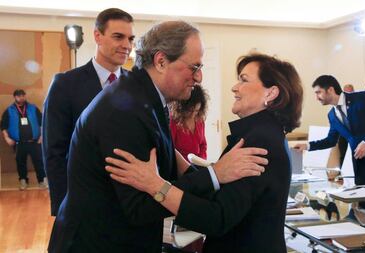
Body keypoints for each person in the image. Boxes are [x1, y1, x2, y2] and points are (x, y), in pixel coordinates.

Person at [48, 21, 268, 253]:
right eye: (194, 67)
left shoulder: (145, 97)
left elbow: (166, 162)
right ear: (161, 61)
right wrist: (215, 175)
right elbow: (139, 207)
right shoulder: (125, 113)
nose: (200, 77)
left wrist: (212, 178)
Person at [106, 53, 304, 253]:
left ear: (270, 93)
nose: (234, 87)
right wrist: (176, 157)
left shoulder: (259, 142)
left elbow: (217, 218)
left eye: (244, 80)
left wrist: (156, 186)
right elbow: (221, 194)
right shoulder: (262, 134)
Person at [42, 8, 135, 216]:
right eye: (118, 37)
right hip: (83, 202)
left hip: (129, 201)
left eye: (130, 38)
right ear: (97, 36)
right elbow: (54, 151)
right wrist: (64, 206)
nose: (127, 45)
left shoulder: (137, 85)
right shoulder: (65, 84)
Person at [294, 75, 365, 187]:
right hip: (361, 163)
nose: (317, 97)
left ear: (330, 90)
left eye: (318, 92)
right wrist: (307, 146)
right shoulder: (332, 115)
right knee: (364, 202)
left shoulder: (362, 97)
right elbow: (331, 141)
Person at [1, 89, 46, 190]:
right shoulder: (9, 110)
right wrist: (7, 138)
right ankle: (23, 181)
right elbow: (3, 126)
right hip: (19, 143)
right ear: (15, 97)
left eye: (22, 95)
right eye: (18, 96)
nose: (21, 97)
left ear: (25, 96)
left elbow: (42, 122)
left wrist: (42, 136)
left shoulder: (33, 108)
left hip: (34, 141)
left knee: (39, 161)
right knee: (20, 162)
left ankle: (42, 180)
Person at [170, 84, 208, 162]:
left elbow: (203, 145)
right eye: (190, 110)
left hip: (198, 165)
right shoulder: (173, 121)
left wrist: (201, 161)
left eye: (196, 111)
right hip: (180, 167)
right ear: (182, 107)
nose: (193, 115)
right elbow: (170, 149)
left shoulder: (199, 120)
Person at [338, 83, 355, 167]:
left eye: (350, 92)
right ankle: (342, 175)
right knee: (343, 154)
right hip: (343, 134)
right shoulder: (339, 105)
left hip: (355, 134)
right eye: (346, 92)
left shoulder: (358, 104)